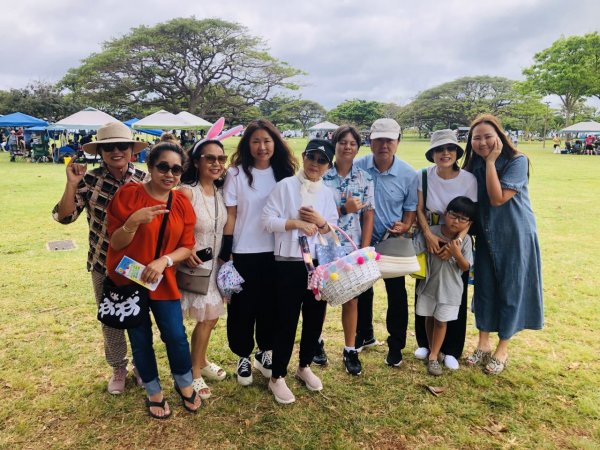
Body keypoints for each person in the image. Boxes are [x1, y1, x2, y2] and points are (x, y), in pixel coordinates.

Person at [106, 141, 200, 418]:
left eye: (176, 169)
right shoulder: (128, 195)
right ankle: (153, 391)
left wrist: (164, 261)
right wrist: (133, 222)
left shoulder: (181, 203)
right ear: (150, 166)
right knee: (140, 338)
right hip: (129, 281)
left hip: (163, 280)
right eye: (163, 167)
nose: (169, 174)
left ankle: (184, 384)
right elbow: (115, 242)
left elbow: (187, 246)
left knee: (176, 336)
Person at [52, 122, 148, 394]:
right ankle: (118, 368)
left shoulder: (145, 181)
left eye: (122, 146)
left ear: (131, 150)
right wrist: (71, 184)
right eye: (109, 147)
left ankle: (142, 366)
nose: (116, 151)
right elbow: (64, 217)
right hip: (103, 262)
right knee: (110, 318)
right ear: (100, 152)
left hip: (139, 264)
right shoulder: (89, 181)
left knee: (140, 317)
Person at [462, 114, 543, 375]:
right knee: (484, 287)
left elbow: (497, 199)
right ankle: (483, 344)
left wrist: (491, 163)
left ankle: (502, 348)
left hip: (515, 234)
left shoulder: (517, 161)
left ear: (500, 136)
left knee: (511, 288)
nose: (482, 142)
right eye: (476, 138)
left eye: (488, 136)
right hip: (486, 235)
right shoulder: (472, 164)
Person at [222, 119, 298, 386]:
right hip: (243, 251)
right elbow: (231, 214)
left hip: (277, 252)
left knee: (271, 306)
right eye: (256, 141)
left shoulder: (285, 174)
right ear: (247, 144)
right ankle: (242, 355)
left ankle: (264, 351)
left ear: (275, 143)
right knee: (242, 308)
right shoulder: (236, 174)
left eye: (267, 141)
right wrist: (227, 250)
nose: (262, 146)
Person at [262, 139, 338, 404]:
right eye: (312, 157)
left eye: (322, 160)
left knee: (315, 317)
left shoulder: (327, 193)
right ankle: (277, 376)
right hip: (288, 261)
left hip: (318, 264)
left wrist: (321, 222)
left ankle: (304, 365)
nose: (315, 164)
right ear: (304, 156)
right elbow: (267, 221)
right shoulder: (285, 186)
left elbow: (332, 232)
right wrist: (296, 223)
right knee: (286, 319)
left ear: (329, 166)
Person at [354, 118, 418, 367]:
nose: (384, 145)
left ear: (398, 142)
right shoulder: (358, 166)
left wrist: (406, 225)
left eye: (389, 140)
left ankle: (396, 345)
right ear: (370, 142)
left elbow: (410, 208)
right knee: (362, 290)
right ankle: (364, 334)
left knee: (396, 294)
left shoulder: (408, 173)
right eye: (379, 140)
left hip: (391, 241)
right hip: (362, 240)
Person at [413, 129, 477, 370]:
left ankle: (451, 349)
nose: (445, 153)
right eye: (439, 149)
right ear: (432, 153)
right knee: (425, 290)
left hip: (457, 237)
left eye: (450, 148)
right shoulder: (423, 176)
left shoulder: (468, 180)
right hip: (430, 235)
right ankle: (426, 344)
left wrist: (455, 245)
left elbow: (469, 217)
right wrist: (428, 235)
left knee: (454, 294)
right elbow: (420, 209)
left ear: (457, 153)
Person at [317, 125, 374, 376]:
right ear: (335, 144)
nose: (347, 147)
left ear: (358, 148)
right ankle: (316, 341)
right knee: (319, 295)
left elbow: (369, 214)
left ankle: (350, 349)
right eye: (343, 142)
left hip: (352, 245)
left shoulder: (365, 178)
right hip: (323, 244)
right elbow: (316, 213)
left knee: (351, 298)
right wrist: (344, 209)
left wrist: (364, 248)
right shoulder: (321, 175)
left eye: (352, 143)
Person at [178, 139, 228, 399]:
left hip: (214, 267)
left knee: (211, 318)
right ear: (197, 162)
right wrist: (185, 252)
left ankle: (202, 360)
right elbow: (173, 227)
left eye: (221, 158)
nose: (216, 163)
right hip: (192, 267)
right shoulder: (187, 192)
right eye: (210, 158)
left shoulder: (220, 192)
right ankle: (193, 372)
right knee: (206, 319)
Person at [413, 197, 475, 376]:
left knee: (441, 322)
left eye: (462, 219)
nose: (456, 221)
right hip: (429, 287)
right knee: (429, 318)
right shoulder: (432, 232)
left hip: (450, 291)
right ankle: (433, 348)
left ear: (469, 223)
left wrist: (456, 253)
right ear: (445, 214)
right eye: (453, 215)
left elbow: (466, 267)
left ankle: (433, 357)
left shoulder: (466, 241)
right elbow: (414, 249)